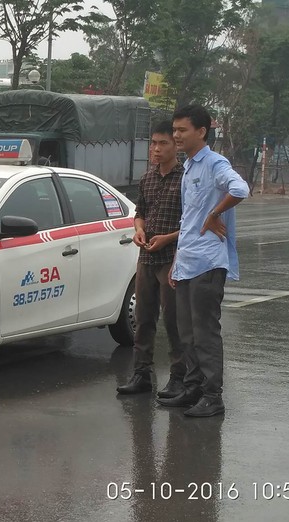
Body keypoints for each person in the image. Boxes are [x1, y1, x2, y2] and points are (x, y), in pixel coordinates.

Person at [157, 105, 249, 417]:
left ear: (201, 132)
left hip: (209, 264)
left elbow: (240, 189)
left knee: (205, 331)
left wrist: (215, 213)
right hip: (188, 261)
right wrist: (176, 261)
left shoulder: (214, 163)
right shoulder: (190, 168)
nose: (176, 135)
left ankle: (213, 396)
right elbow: (188, 220)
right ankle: (193, 387)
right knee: (187, 332)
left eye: (182, 130)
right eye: (175, 130)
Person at [117, 121, 186, 398]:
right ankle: (141, 374)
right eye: (153, 143)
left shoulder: (185, 178)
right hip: (146, 257)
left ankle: (179, 377)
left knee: (173, 320)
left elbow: (193, 223)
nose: (156, 149)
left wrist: (168, 238)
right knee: (143, 318)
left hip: (173, 258)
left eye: (163, 143)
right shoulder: (147, 178)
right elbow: (139, 212)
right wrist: (139, 230)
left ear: (175, 146)